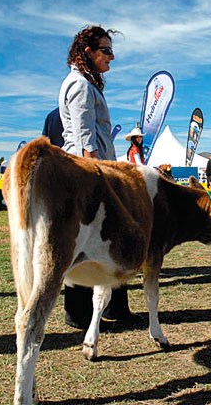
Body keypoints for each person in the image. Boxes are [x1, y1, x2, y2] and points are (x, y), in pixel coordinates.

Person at [58, 25, 134, 329]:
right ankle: (78, 312)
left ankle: (114, 306)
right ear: (87, 51)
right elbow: (83, 134)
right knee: (84, 242)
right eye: (106, 50)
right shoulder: (80, 85)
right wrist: (97, 178)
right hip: (87, 173)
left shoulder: (88, 84)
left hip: (95, 169)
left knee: (104, 240)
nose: (111, 57)